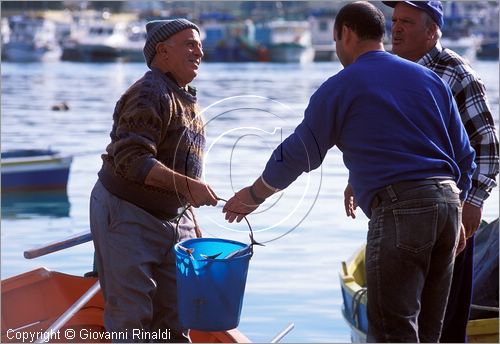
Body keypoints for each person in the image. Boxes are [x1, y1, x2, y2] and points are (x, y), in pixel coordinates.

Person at [222, 1, 476, 342]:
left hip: (402, 210)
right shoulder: (429, 80)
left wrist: (254, 195)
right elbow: (465, 155)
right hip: (447, 208)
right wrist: (458, 208)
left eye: (337, 39)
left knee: (393, 331)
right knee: (430, 332)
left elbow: (299, 152)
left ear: (345, 33)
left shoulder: (342, 85)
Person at [89, 19, 218, 342]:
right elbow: (132, 159)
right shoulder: (149, 92)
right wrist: (189, 187)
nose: (199, 50)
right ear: (162, 52)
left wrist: (190, 216)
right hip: (128, 213)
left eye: (199, 44)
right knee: (131, 319)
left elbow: (183, 171)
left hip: (173, 220)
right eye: (189, 43)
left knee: (175, 319)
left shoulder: (186, 98)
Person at [379, 2, 499, 342]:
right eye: (395, 21)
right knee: (403, 319)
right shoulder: (391, 72)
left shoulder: (458, 75)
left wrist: (474, 203)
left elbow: (488, 146)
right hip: (398, 215)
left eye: (407, 22)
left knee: (445, 322)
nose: (396, 29)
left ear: (433, 31)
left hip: (451, 219)